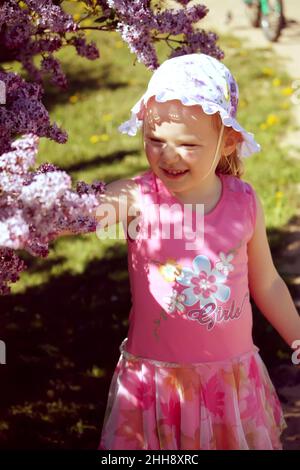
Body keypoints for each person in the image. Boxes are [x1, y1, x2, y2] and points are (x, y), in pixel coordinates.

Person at [94, 53, 300, 450]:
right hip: (156, 386)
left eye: (188, 144)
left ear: (229, 142)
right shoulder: (138, 197)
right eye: (155, 141)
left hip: (230, 383)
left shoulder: (243, 202)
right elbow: (91, 211)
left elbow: (268, 281)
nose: (168, 156)